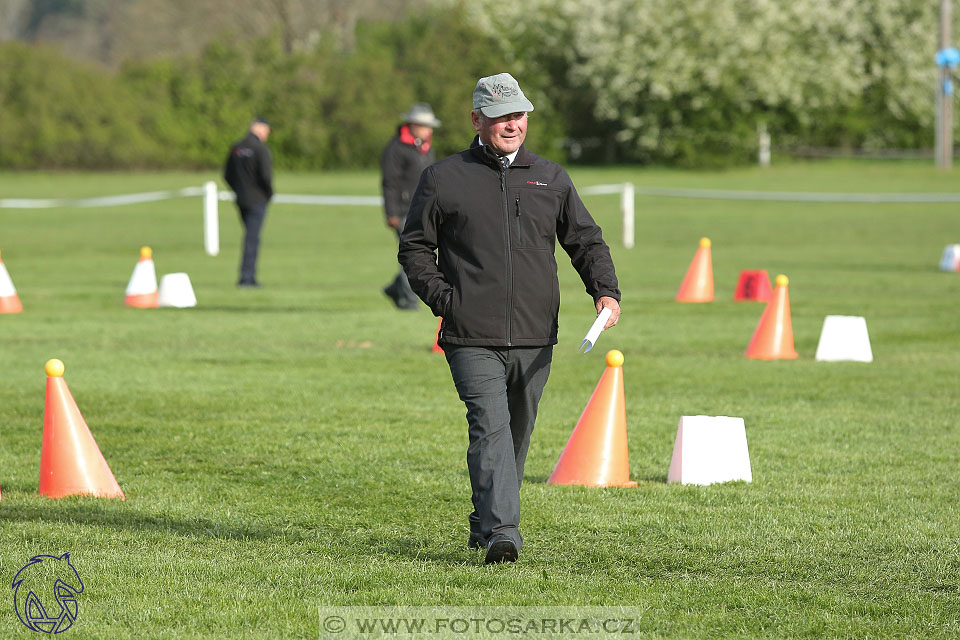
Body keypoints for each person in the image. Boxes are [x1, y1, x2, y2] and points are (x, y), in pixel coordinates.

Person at [398, 73, 621, 564]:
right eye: (500, 116)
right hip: (469, 333)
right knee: (490, 427)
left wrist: (605, 291)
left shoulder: (552, 178)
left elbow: (585, 240)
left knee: (516, 434)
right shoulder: (443, 177)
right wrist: (445, 300)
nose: (511, 124)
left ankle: (485, 522)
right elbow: (415, 247)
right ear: (477, 120)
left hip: (537, 335)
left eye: (518, 115)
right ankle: (504, 534)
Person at [380, 103, 440, 309]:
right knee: (412, 254)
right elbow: (389, 183)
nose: (429, 130)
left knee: (417, 252)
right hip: (404, 211)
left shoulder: (425, 146)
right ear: (413, 125)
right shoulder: (395, 149)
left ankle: (396, 288)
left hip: (425, 209)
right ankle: (409, 299)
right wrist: (391, 213)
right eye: (425, 125)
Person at [224, 116, 273, 287]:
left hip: (241, 198)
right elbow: (266, 176)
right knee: (252, 238)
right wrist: (268, 194)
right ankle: (247, 278)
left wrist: (238, 190)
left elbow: (227, 174)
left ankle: (247, 276)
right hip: (257, 199)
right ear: (260, 128)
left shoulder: (237, 147)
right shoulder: (260, 148)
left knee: (249, 236)